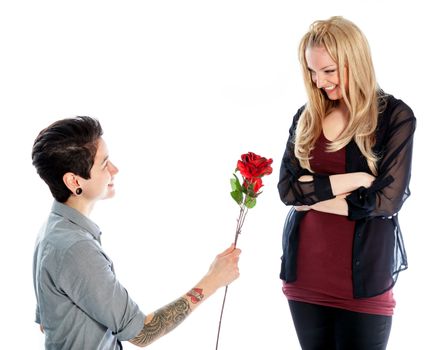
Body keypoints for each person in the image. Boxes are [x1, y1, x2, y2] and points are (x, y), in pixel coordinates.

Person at [32, 116, 241, 349]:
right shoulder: (75, 248)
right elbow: (141, 333)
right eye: (104, 164)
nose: (115, 169)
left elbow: (46, 323)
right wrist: (213, 280)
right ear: (73, 181)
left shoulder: (53, 230)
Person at [277, 16, 415, 350]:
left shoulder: (395, 118)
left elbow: (385, 202)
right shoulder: (306, 117)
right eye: (312, 71)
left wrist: (312, 196)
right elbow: (288, 191)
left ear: (355, 61)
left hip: (364, 283)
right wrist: (357, 179)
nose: (319, 81)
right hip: (306, 278)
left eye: (329, 70)